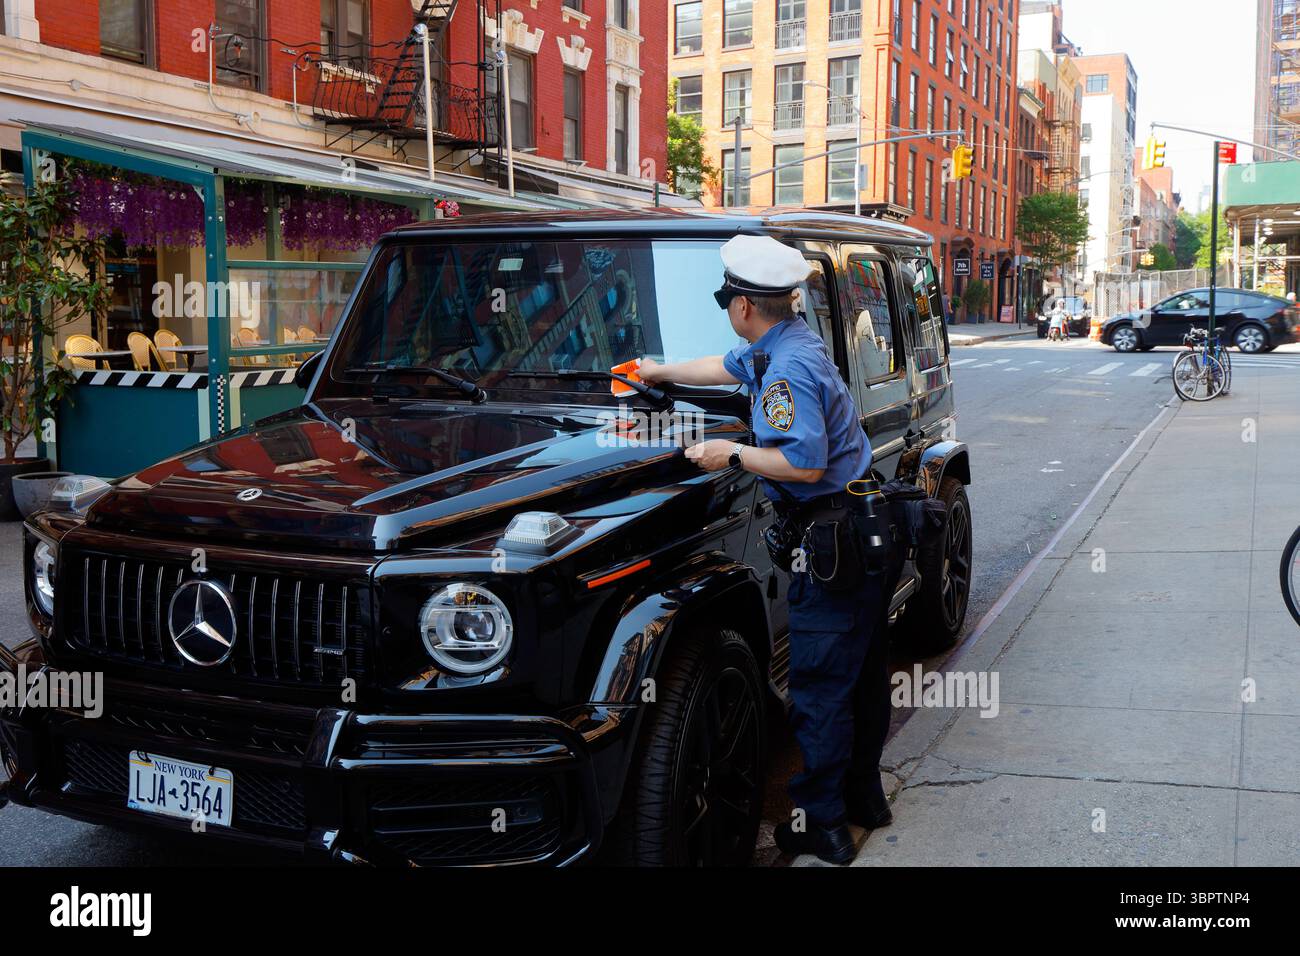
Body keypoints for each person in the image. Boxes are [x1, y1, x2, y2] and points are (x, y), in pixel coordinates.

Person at [638, 234, 893, 865]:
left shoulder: (786, 369)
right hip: (862, 534)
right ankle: (865, 799)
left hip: (830, 541)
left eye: (728, 299)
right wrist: (660, 371)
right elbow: (725, 368)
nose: (728, 308)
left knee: (819, 689)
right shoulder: (787, 342)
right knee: (861, 676)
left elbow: (801, 464)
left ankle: (821, 826)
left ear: (746, 304)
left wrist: (730, 452)